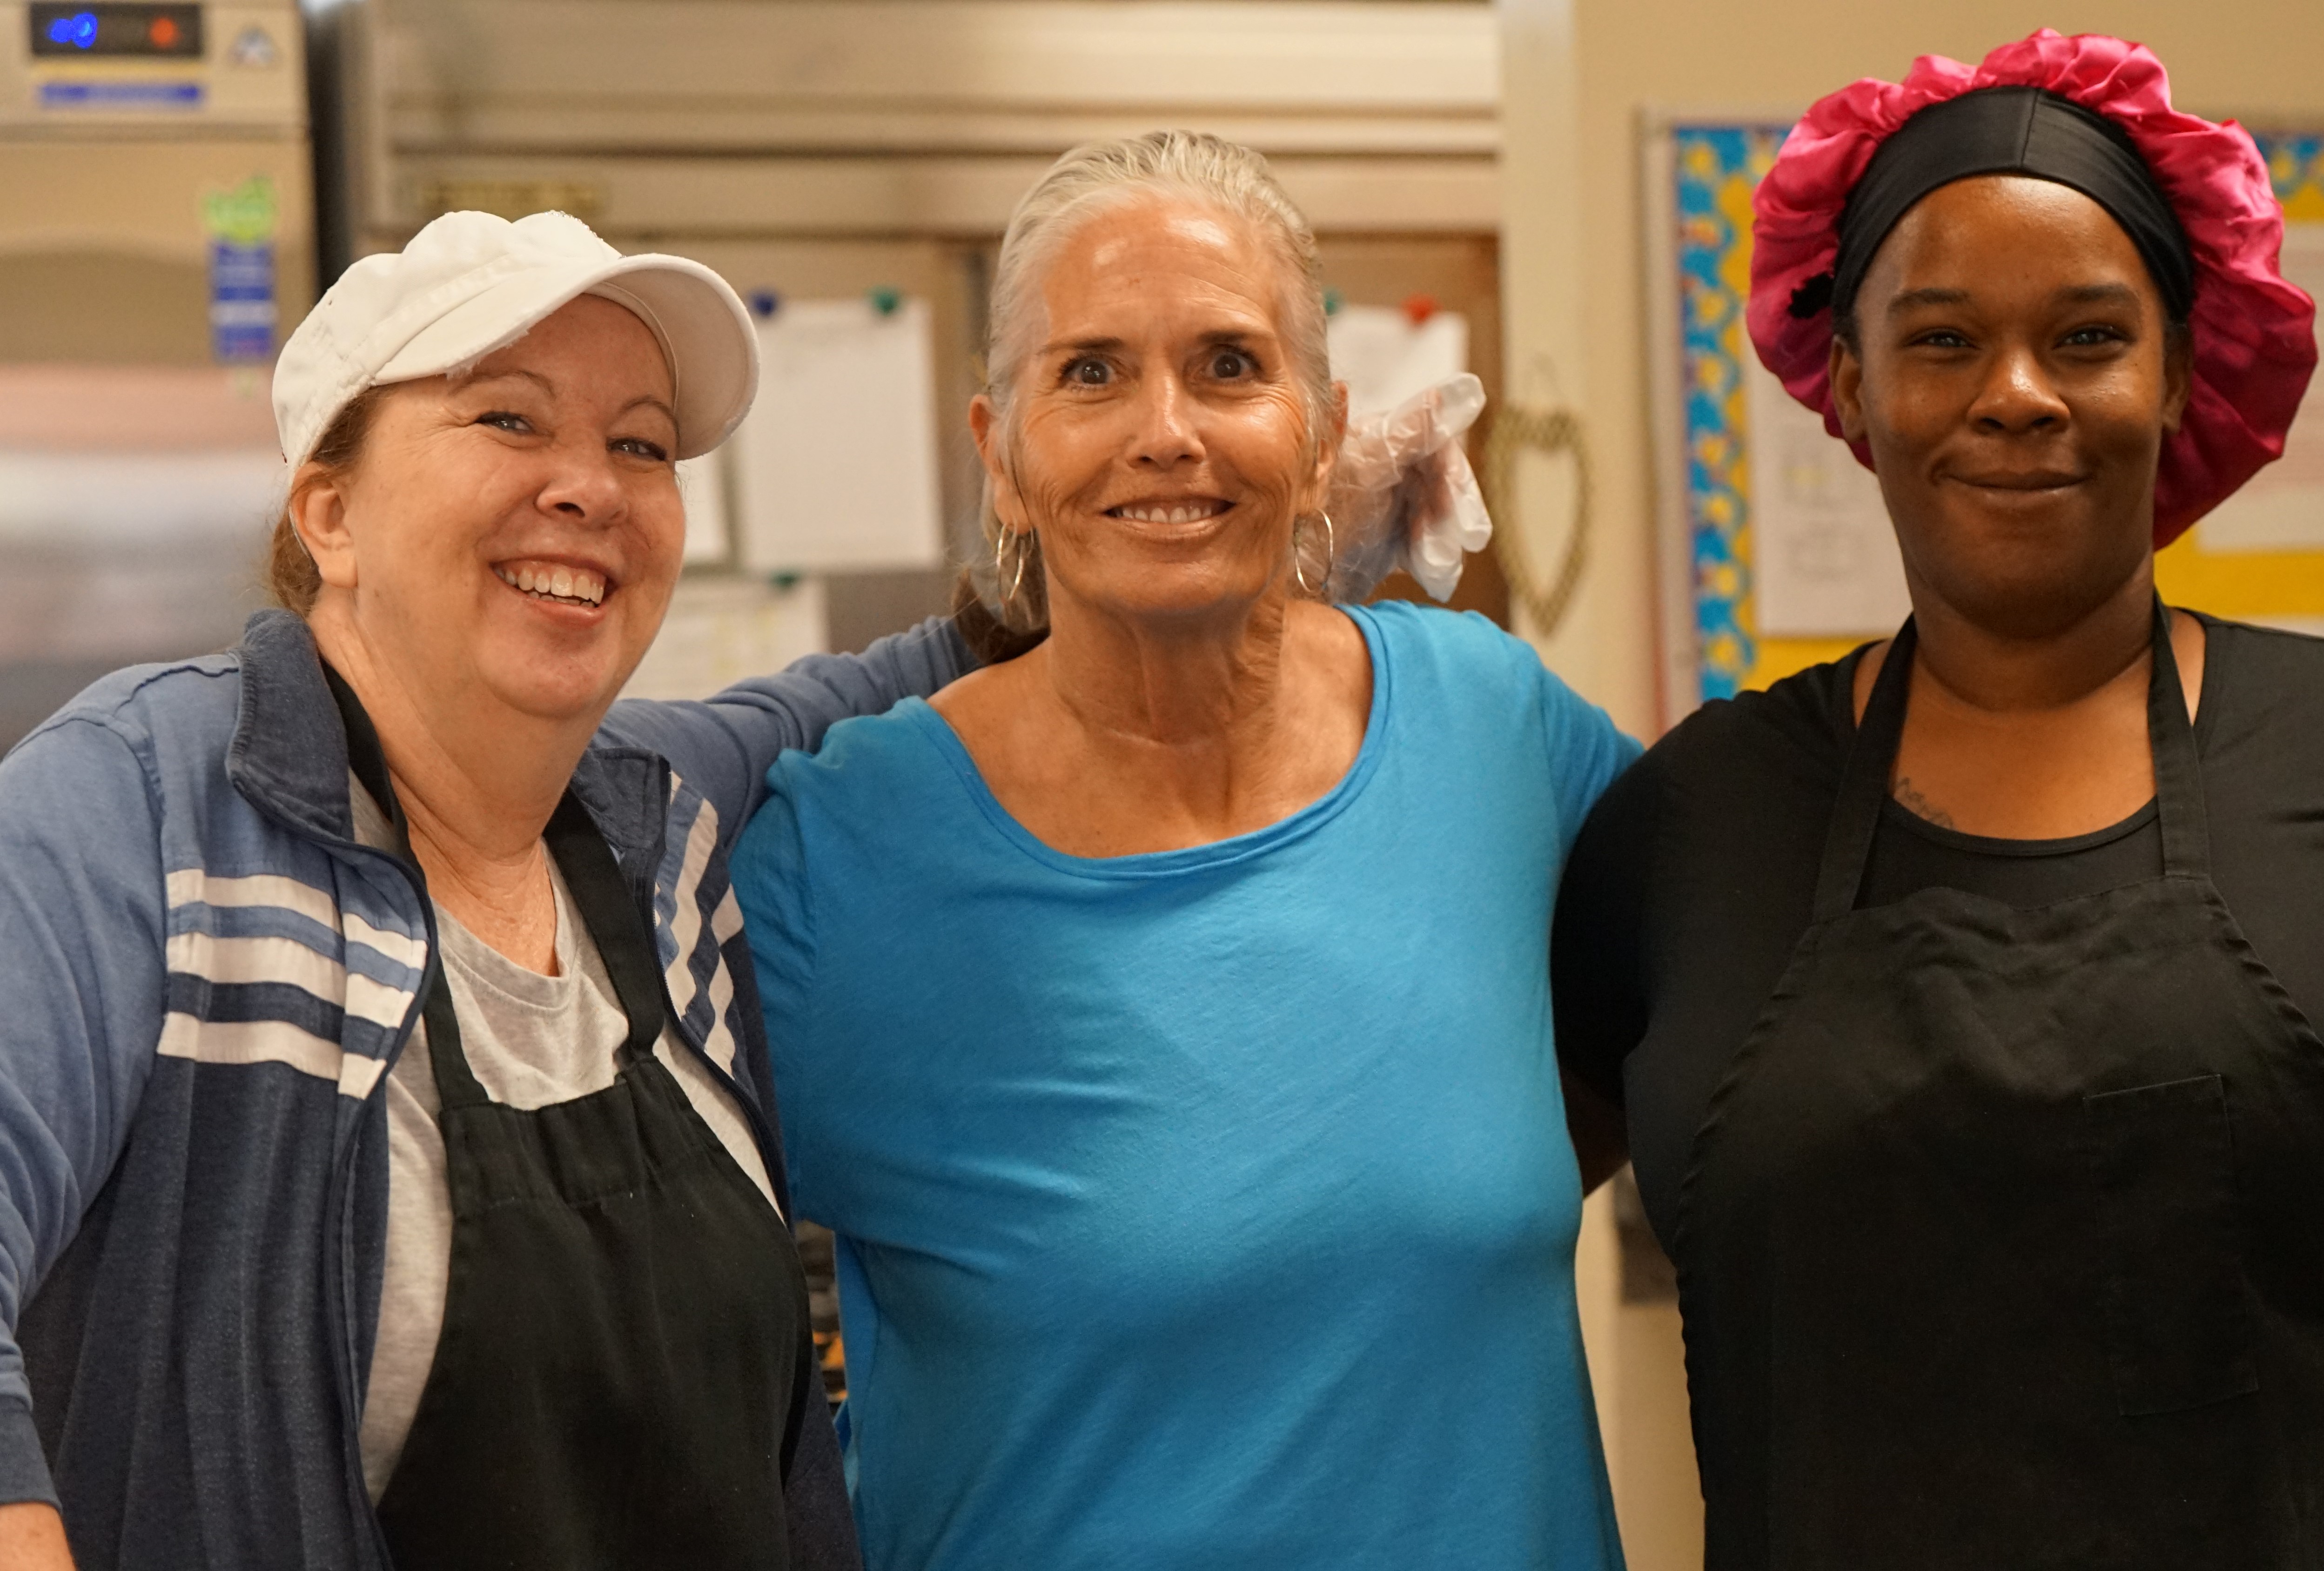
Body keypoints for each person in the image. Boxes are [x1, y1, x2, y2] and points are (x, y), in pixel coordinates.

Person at [0, 206, 1481, 1570]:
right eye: (507, 419)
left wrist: (1252, 509)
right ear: (328, 509)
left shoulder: (661, 824)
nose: (587, 487)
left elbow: (933, 674)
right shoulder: (145, 808)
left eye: (641, 447)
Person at [1552, 31, 2324, 1569]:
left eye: (2086, 337)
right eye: (1939, 341)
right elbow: (1463, 1206)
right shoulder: (1693, 825)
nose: (2016, 397)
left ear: (2181, 372)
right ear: (1849, 385)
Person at [731, 130, 1637, 1571]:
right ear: (1002, 456)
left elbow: (1703, 1038)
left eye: (1229, 366)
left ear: (1325, 430)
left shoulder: (1495, 733)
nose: (1168, 429)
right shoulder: (842, 857)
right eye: (1089, 372)